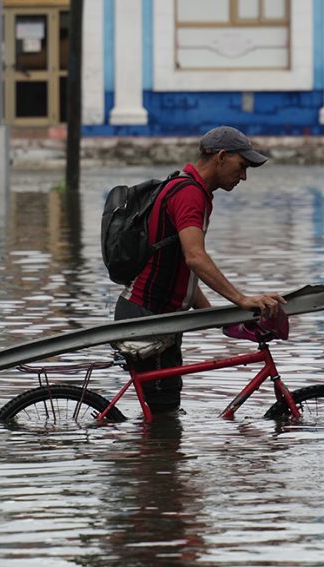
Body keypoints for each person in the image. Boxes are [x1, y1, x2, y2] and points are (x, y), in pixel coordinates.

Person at [114, 125, 287, 414]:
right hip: (148, 315)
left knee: (164, 415)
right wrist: (241, 299)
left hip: (157, 315)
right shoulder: (189, 193)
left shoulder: (186, 187)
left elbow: (181, 269)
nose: (244, 176)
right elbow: (195, 257)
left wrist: (215, 318)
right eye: (242, 166)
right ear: (221, 156)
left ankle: (150, 445)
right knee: (164, 412)